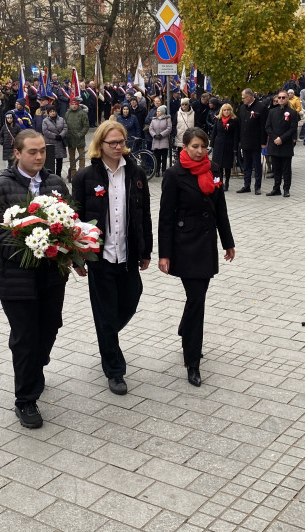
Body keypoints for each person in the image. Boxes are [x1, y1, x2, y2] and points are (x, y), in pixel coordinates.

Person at [0, 131, 71, 429]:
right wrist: (32, 251)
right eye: (32, 152)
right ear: (17, 153)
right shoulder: (0, 187)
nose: (39, 157)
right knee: (24, 338)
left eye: (42, 151)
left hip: (52, 276)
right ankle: (26, 400)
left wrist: (63, 247)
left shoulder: (56, 182)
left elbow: (71, 219)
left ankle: (37, 364)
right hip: (16, 279)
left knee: (50, 328)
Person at [72, 121, 152, 396]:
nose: (118, 147)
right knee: (105, 314)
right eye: (112, 143)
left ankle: (107, 337)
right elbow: (77, 219)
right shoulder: (85, 177)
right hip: (100, 258)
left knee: (132, 297)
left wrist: (146, 251)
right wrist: (78, 258)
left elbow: (144, 215)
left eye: (121, 142)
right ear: (100, 145)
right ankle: (114, 370)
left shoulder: (136, 173)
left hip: (128, 254)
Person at [158, 127, 235, 387]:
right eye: (195, 147)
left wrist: (228, 242)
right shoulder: (174, 174)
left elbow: (219, 208)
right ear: (184, 147)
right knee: (197, 301)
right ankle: (192, 360)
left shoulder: (212, 169)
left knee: (196, 299)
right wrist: (164, 254)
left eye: (203, 146)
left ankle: (185, 329)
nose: (200, 151)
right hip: (185, 246)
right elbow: (165, 216)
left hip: (206, 245)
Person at [264, 91, 297, 197]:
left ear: (287, 99)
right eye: (279, 97)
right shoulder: (272, 112)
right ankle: (276, 188)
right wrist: (275, 138)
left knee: (286, 169)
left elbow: (292, 129)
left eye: (284, 97)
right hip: (274, 143)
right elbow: (267, 127)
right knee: (276, 168)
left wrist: (282, 139)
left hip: (285, 144)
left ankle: (286, 188)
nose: (281, 99)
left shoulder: (292, 112)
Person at [235, 88, 267, 194]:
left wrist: (263, 142)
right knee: (246, 165)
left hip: (256, 142)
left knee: (257, 165)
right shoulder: (242, 107)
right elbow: (240, 124)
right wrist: (239, 139)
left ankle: (257, 187)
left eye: (244, 98)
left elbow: (263, 126)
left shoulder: (261, 107)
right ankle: (246, 185)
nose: (242, 100)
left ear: (249, 97)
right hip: (245, 141)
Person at [210, 102, 237, 188]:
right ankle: (220, 181)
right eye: (225, 110)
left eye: (228, 110)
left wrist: (235, 147)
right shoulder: (218, 119)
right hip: (218, 144)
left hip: (229, 145)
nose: (226, 112)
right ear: (222, 111)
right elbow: (214, 132)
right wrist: (212, 143)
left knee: (227, 165)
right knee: (219, 165)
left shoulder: (234, 120)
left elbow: (236, 135)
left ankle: (227, 182)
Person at [64, 97, 89, 179]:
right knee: (71, 157)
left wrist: (80, 134)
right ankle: (72, 173)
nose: (74, 106)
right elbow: (65, 125)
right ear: (70, 105)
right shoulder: (67, 113)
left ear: (78, 105)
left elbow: (86, 126)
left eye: (75, 104)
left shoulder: (82, 114)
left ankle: (81, 172)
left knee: (81, 157)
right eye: (72, 104)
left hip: (79, 139)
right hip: (70, 138)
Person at [40, 102, 67, 177]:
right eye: (51, 111)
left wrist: (61, 135)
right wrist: (55, 136)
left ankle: (58, 175)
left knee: (59, 161)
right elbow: (45, 131)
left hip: (60, 143)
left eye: (54, 111)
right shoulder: (45, 121)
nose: (52, 113)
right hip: (50, 143)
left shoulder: (61, 119)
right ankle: (50, 176)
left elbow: (65, 128)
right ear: (48, 113)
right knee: (50, 161)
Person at [148, 105, 172, 178]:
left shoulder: (167, 119)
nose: (157, 112)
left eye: (159, 111)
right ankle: (157, 171)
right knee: (157, 157)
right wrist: (154, 135)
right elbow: (150, 128)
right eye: (157, 111)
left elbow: (169, 128)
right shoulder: (154, 119)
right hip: (156, 140)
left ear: (162, 112)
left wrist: (161, 135)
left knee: (164, 157)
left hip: (164, 140)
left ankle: (164, 171)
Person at [173, 98, 196, 162]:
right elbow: (174, 124)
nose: (184, 106)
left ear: (188, 105)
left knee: (190, 154)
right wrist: (175, 133)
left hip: (190, 136)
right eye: (182, 104)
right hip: (180, 136)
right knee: (181, 154)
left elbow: (196, 124)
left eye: (186, 104)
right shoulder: (177, 113)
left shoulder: (193, 113)